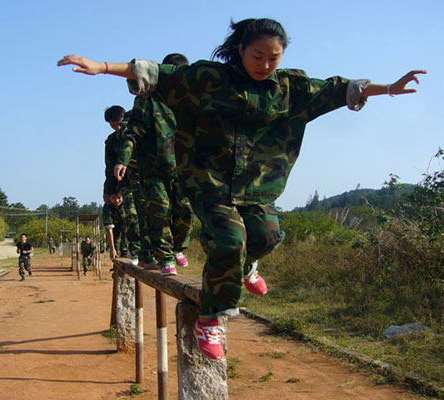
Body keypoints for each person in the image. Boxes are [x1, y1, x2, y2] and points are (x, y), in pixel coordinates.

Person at [58, 18, 425, 359]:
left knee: (267, 235)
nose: (265, 64)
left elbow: (339, 88)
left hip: (258, 187)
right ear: (240, 50)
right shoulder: (209, 78)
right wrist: (102, 66)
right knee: (230, 239)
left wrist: (389, 88)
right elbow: (157, 73)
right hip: (209, 182)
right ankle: (211, 320)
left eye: (273, 58)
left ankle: (247, 266)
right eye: (258, 56)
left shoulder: (290, 88)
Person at [115, 52, 194, 277]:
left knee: (185, 213)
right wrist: (124, 159)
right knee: (158, 213)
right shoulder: (147, 98)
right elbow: (134, 130)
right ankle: (166, 258)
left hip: (184, 167)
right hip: (154, 168)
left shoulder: (192, 98)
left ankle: (178, 248)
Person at [103, 106, 150, 266]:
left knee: (148, 213)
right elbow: (109, 167)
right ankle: (135, 250)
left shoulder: (137, 128)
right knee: (130, 214)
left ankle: (152, 251)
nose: (116, 127)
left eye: (118, 123)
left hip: (146, 178)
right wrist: (108, 190)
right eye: (112, 124)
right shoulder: (111, 141)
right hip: (126, 182)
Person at [102, 192, 129, 261]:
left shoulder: (128, 204)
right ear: (110, 198)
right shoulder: (107, 207)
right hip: (115, 228)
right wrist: (112, 249)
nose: (117, 201)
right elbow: (109, 229)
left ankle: (126, 251)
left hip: (127, 227)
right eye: (114, 198)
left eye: (119, 198)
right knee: (115, 249)